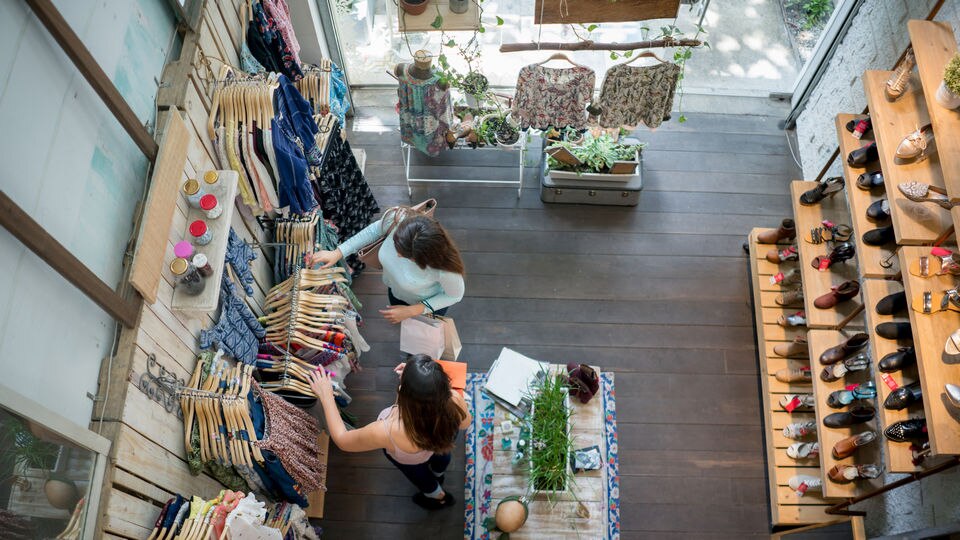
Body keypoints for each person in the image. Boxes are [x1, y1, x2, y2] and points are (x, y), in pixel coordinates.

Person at [309, 354, 471, 509]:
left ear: (404, 393)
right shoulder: (454, 399)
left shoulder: (387, 431)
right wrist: (418, 378)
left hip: (411, 459)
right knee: (441, 458)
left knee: (420, 476)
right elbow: (464, 424)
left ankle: (437, 496)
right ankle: (439, 473)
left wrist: (326, 396)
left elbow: (343, 440)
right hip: (441, 441)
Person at [310, 207, 465, 323]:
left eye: (406, 256)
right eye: (396, 245)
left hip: (426, 307)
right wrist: (338, 252)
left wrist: (411, 311)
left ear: (425, 257)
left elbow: (454, 295)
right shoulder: (399, 219)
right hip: (396, 292)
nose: (397, 255)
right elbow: (374, 230)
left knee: (421, 344)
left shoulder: (445, 269)